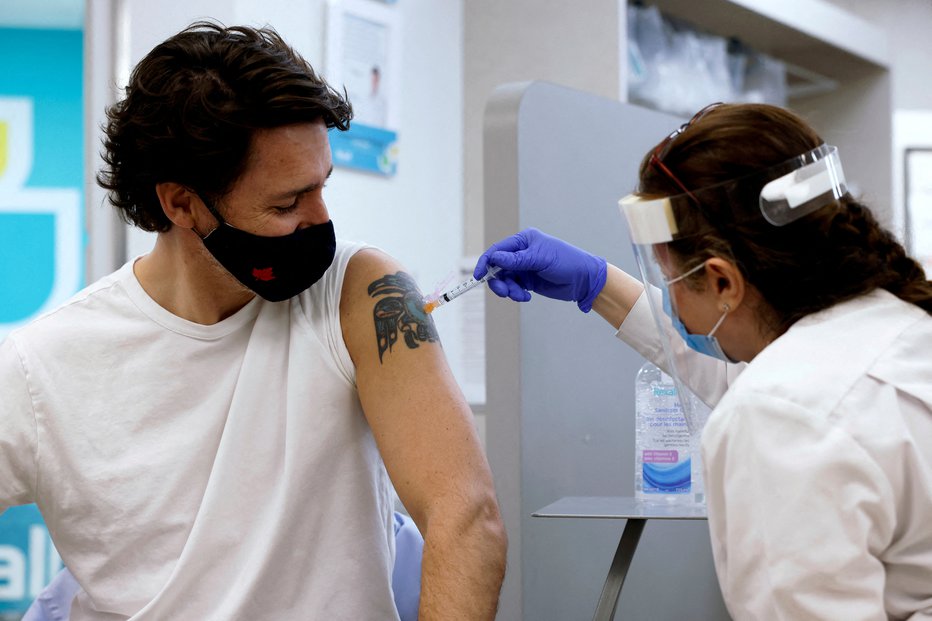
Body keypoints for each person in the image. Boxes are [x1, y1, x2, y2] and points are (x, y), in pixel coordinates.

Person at [0, 22, 506, 620]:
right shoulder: (42, 366)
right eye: (287, 204)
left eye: (321, 187)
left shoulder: (358, 296)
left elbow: (466, 516)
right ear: (181, 203)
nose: (321, 220)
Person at [475, 103, 932, 619]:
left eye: (669, 278)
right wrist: (596, 283)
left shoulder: (781, 416)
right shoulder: (901, 326)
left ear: (722, 282)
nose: (670, 295)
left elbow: (778, 397)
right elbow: (753, 366)